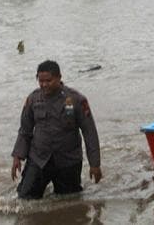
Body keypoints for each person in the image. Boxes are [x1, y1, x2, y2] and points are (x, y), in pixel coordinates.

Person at [11, 60, 102, 199]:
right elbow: (25, 130)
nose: (44, 84)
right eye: (40, 81)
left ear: (59, 78)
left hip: (68, 160)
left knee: (70, 201)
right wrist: (17, 157)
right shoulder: (33, 99)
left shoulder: (77, 100)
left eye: (48, 80)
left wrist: (94, 164)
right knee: (25, 198)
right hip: (39, 159)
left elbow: (89, 132)